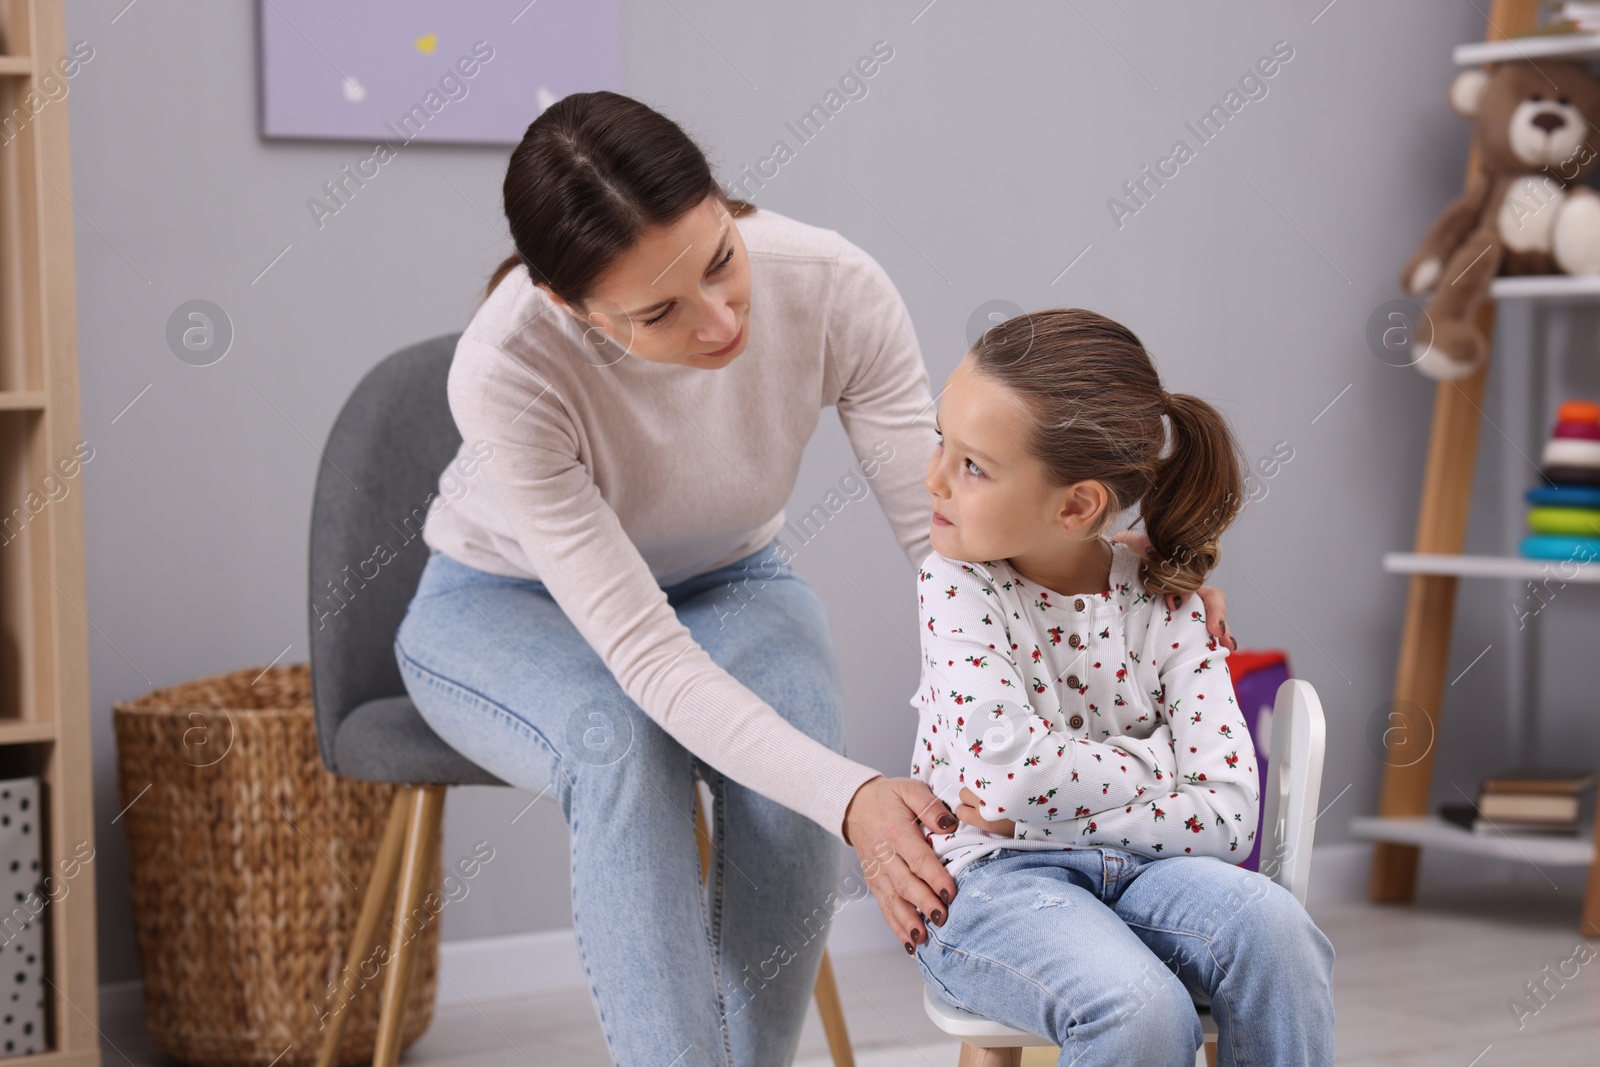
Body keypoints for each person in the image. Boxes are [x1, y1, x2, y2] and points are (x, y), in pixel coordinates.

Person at [394, 90, 1235, 1065]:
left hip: (729, 574)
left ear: (723, 202)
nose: (718, 321)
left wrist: (1115, 596)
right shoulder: (508, 367)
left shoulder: (832, 283)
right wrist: (855, 800)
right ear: (568, 307)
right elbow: (645, 660)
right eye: (659, 310)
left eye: (721, 261)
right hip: (498, 602)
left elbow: (951, 534)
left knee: (792, 752)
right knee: (621, 747)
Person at [909, 307, 1335, 1066]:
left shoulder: (1166, 597)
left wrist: (1044, 814)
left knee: (1280, 935)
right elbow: (1005, 779)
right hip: (995, 879)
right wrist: (1164, 770)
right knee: (1139, 1010)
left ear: (1076, 506)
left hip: (1152, 872)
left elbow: (1232, 813)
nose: (933, 477)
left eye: (971, 465)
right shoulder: (955, 585)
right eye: (943, 441)